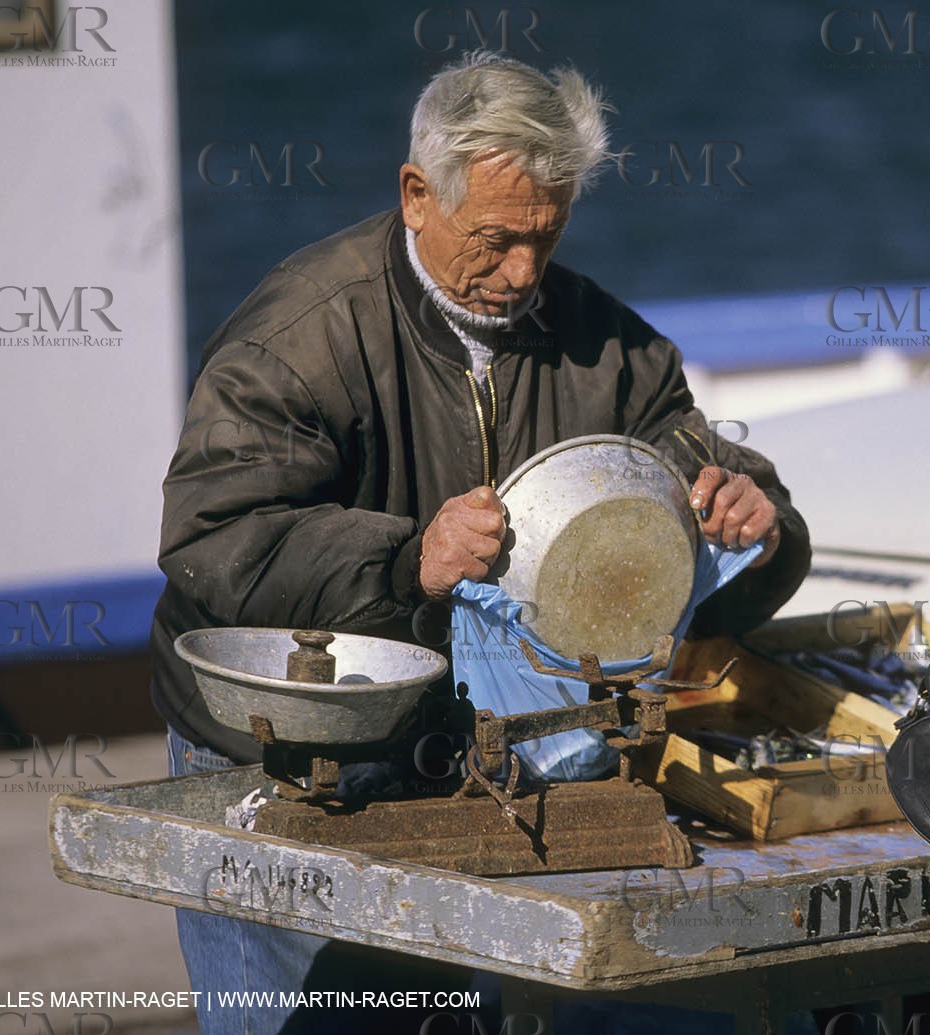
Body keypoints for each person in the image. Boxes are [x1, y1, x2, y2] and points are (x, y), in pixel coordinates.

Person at [152, 51, 811, 1034]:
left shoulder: (610, 346)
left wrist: (753, 523)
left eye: (547, 239)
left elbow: (688, 492)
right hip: (293, 756)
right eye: (497, 241)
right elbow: (213, 539)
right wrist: (406, 560)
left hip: (496, 759)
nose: (524, 274)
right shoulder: (298, 335)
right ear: (417, 195)